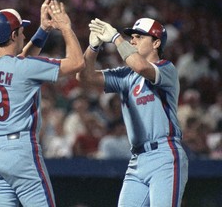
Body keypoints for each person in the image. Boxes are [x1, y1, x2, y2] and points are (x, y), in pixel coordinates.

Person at [0, 0, 84, 207]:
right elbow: (77, 63)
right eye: (21, 31)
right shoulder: (23, 67)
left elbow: (21, 62)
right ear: (13, 35)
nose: (24, 34)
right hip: (19, 151)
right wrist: (66, 28)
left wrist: (43, 30)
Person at [77, 17, 188, 206]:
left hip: (164, 154)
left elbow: (142, 66)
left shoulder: (166, 68)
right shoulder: (126, 76)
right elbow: (84, 77)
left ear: (156, 42)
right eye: (131, 37)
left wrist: (116, 38)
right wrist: (93, 48)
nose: (132, 40)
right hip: (137, 159)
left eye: (138, 37)